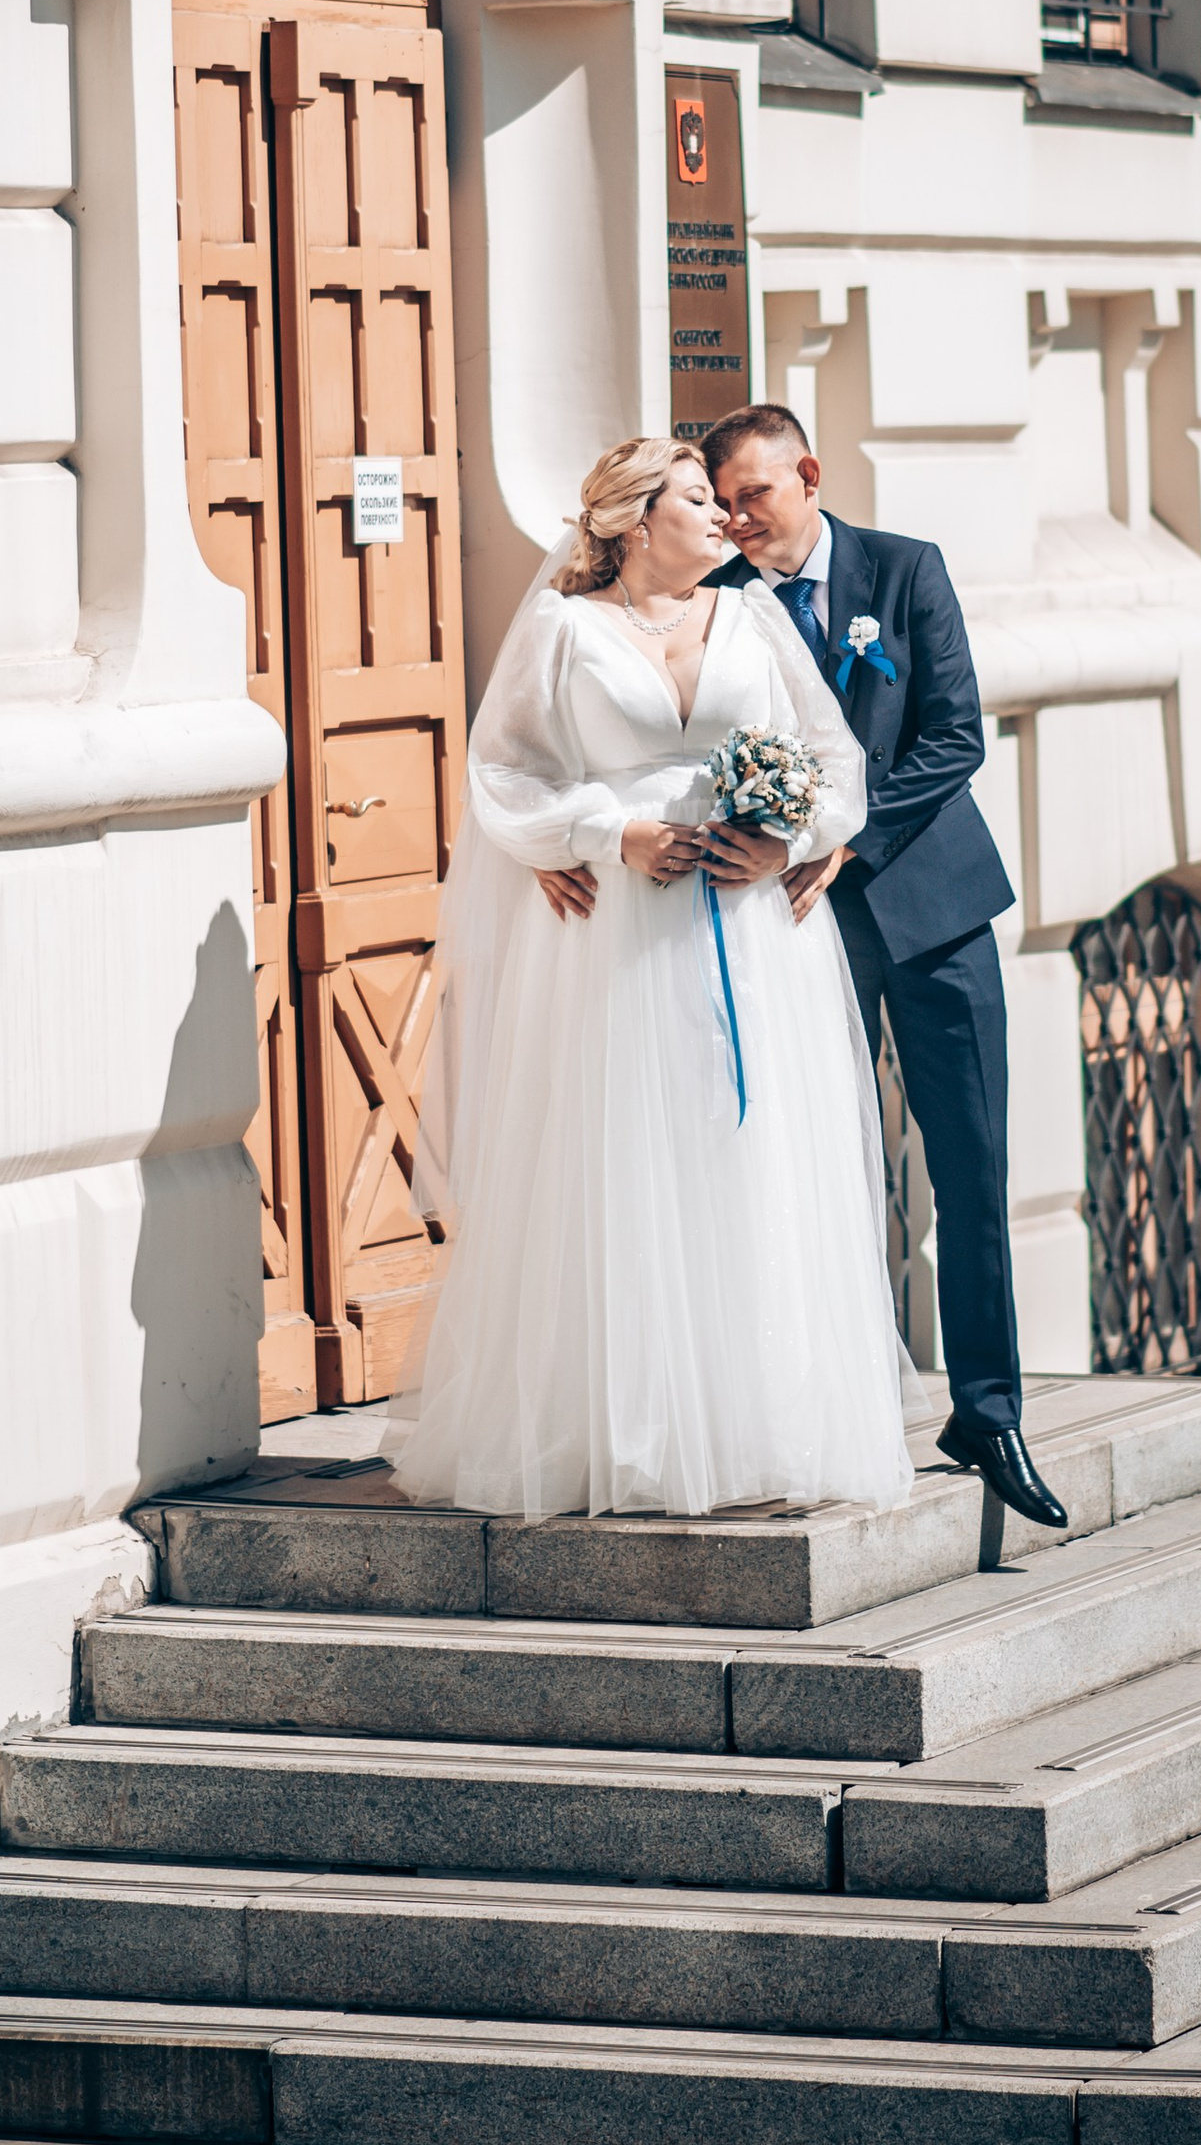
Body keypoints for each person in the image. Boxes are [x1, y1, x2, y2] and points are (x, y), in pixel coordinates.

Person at [383, 436, 919, 1522]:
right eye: (696, 498)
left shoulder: (754, 618)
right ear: (637, 520)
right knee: (627, 1155)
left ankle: (759, 1421)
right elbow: (504, 772)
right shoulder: (564, 629)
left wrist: (786, 837)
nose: (722, 516)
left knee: (745, 1154)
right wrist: (604, 831)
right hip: (615, 933)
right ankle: (623, 1428)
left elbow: (833, 759)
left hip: (748, 931)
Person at [697, 402, 1067, 1535]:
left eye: (754, 495)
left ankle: (989, 1410)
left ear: (807, 474)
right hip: (802, 931)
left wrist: (841, 838)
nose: (737, 519)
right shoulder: (718, 603)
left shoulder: (906, 571)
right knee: (824, 1173)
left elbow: (955, 737)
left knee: (972, 1168)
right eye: (722, 502)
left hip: (937, 910)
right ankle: (835, 1407)